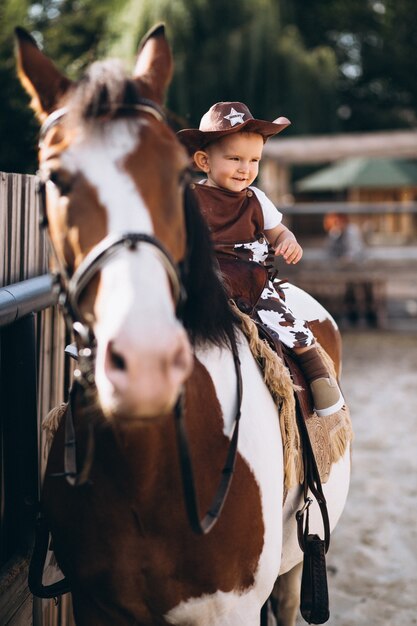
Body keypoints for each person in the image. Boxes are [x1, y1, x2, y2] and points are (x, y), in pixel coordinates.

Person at [178, 101, 344, 417]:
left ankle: (318, 376)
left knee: (289, 324)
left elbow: (278, 232)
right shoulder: (189, 199)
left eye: (254, 160)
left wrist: (288, 240)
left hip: (250, 281)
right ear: (204, 161)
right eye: (235, 158)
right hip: (203, 277)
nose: (246, 168)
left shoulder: (257, 200)